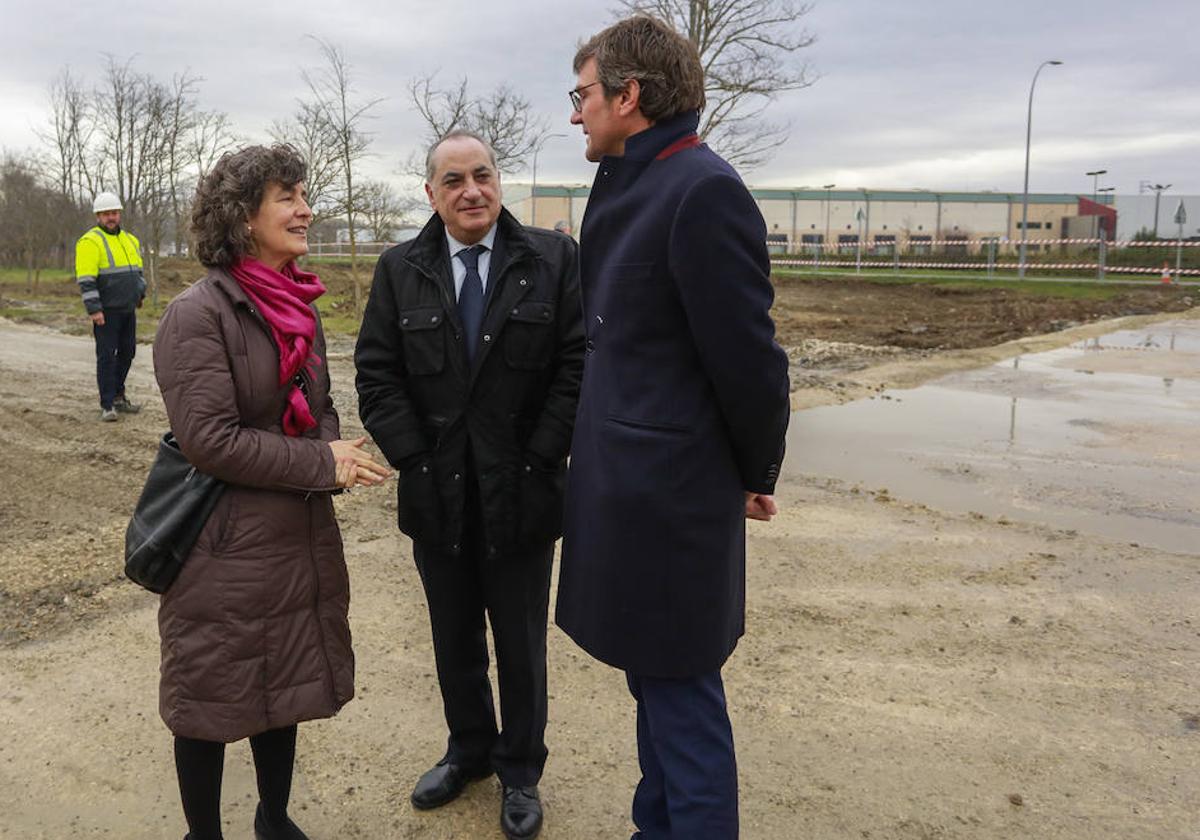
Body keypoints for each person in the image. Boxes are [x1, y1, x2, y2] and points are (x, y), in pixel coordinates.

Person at [556, 16, 791, 840]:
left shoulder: (701, 189)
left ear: (631, 95)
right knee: (653, 685)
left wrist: (755, 471)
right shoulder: (632, 180)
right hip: (631, 494)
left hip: (670, 502)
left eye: (584, 94)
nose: (576, 112)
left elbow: (750, 359)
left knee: (683, 699)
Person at [152, 144, 391, 840]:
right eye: (287, 196)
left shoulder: (299, 306)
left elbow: (319, 405)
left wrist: (334, 447)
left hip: (295, 535)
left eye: (302, 193)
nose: (305, 208)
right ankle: (205, 833)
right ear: (242, 216)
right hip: (221, 548)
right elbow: (210, 440)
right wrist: (321, 461)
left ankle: (273, 818)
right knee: (209, 697)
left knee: (283, 685)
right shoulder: (197, 314)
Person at [355, 130, 584, 840]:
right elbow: (377, 373)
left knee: (519, 645)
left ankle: (520, 770)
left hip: (522, 489)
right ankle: (469, 752)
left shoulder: (551, 260)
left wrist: (542, 455)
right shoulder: (402, 269)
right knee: (454, 640)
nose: (471, 190)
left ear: (499, 181)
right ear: (431, 194)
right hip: (438, 492)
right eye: (453, 181)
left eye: (481, 175)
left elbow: (579, 363)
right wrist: (415, 460)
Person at [75, 191, 146, 421]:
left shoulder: (130, 240)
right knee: (106, 356)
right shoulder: (89, 242)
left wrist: (140, 294)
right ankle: (107, 405)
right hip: (106, 312)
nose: (111, 217)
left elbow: (138, 273)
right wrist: (94, 309)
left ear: (120, 214)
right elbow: (86, 279)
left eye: (114, 213)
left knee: (128, 352)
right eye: (106, 214)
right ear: (98, 216)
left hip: (128, 309)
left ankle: (118, 396)